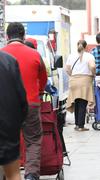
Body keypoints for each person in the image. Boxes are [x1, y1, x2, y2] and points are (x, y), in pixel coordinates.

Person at [2, 22, 48, 180]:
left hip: (5, 106)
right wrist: (39, 92)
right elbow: (43, 79)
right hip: (31, 104)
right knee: (33, 140)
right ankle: (31, 175)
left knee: (5, 140)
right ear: (23, 36)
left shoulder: (2, 54)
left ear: (7, 36)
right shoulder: (35, 54)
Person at [0, 51, 28, 180]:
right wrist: (17, 123)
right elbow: (22, 98)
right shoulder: (9, 60)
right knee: (13, 174)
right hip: (7, 125)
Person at [66, 40, 96, 131]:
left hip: (73, 81)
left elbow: (67, 69)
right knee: (83, 102)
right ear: (86, 47)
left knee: (77, 103)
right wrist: (94, 74)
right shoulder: (89, 56)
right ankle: (81, 126)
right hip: (85, 81)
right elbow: (93, 66)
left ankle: (77, 124)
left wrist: (72, 75)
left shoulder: (71, 55)